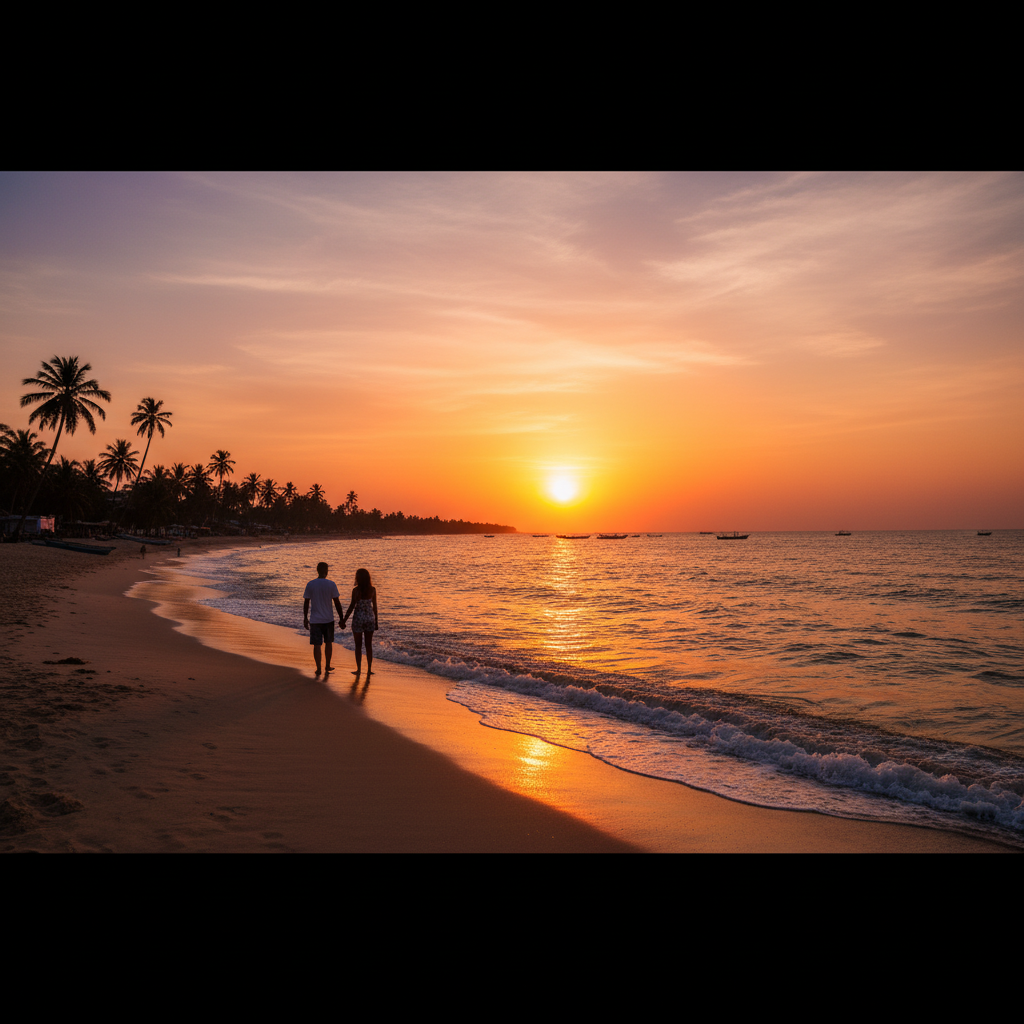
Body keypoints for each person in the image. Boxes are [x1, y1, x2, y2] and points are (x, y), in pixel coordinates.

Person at [302, 562, 345, 676]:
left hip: (315, 620)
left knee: (317, 645)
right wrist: (341, 618)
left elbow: (306, 602)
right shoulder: (331, 584)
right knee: (328, 643)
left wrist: (305, 618)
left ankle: (318, 668)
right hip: (328, 619)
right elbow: (337, 603)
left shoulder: (311, 584)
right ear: (327, 571)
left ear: (317, 570)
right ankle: (327, 665)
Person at [342, 567, 378, 675]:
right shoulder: (373, 590)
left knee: (358, 645)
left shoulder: (356, 591)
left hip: (358, 619)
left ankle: (358, 669)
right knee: (368, 645)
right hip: (369, 619)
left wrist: (344, 620)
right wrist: (376, 622)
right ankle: (369, 669)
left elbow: (352, 606)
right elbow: (375, 607)